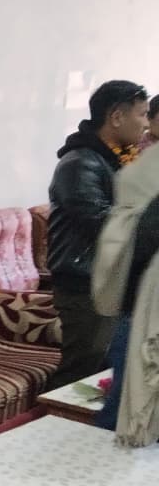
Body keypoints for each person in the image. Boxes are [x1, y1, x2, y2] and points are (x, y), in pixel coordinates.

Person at [47, 80, 148, 390]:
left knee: (104, 368)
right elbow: (104, 223)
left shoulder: (115, 158)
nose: (146, 124)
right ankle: (51, 416)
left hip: (111, 281)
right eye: (142, 114)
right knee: (81, 369)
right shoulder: (80, 163)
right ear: (116, 117)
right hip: (85, 284)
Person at [93, 141, 159, 443]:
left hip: (137, 312)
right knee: (128, 407)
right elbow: (138, 243)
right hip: (142, 316)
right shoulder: (148, 172)